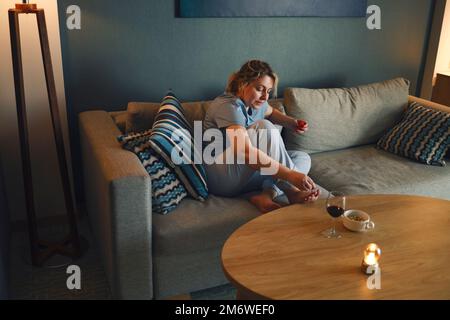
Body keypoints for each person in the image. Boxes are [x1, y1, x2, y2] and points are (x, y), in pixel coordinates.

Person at [203, 60, 320, 213]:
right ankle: (290, 191)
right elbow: (244, 152)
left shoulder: (255, 102)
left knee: (302, 157)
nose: (265, 96)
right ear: (243, 84)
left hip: (244, 175)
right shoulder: (229, 106)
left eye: (269, 91)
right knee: (264, 127)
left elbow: (271, 112)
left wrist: (292, 123)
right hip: (220, 177)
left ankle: (266, 194)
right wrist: (290, 175)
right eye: (260, 89)